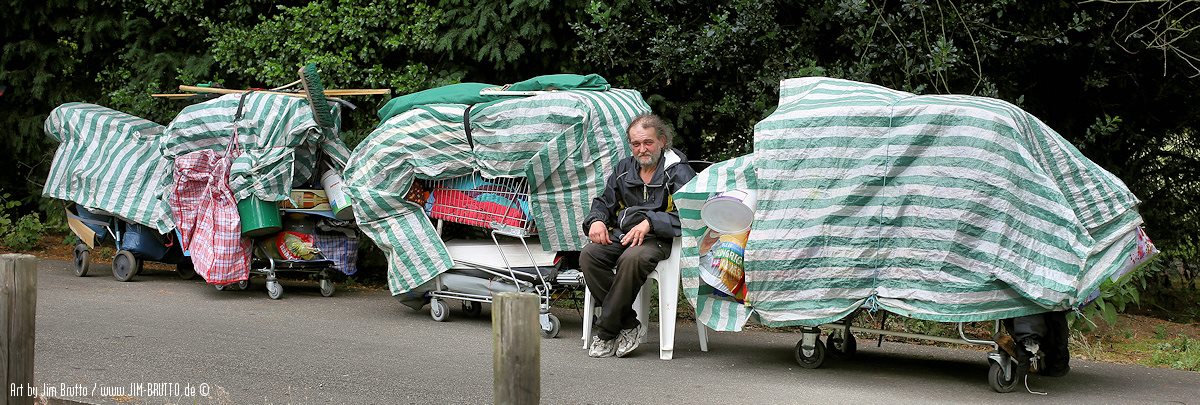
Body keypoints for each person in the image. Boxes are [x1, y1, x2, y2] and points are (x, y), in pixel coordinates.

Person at [581, 113, 697, 358]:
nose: (642, 149)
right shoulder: (624, 168)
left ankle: (605, 331)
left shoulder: (679, 171)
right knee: (590, 255)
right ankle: (628, 324)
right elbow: (603, 202)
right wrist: (597, 220)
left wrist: (651, 222)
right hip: (625, 234)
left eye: (648, 142)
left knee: (631, 259)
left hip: (660, 238)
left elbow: (691, 216)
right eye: (636, 144)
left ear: (662, 141)